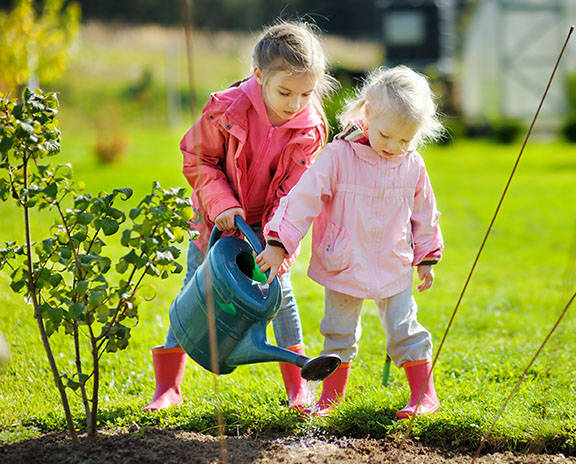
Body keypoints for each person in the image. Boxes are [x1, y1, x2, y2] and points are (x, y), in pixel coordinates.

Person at [143, 21, 337, 412]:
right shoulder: (226, 108)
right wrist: (222, 205)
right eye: (285, 92)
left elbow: (297, 195)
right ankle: (168, 387)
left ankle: (299, 388)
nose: (295, 103)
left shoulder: (310, 129)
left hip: (270, 229)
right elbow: (197, 157)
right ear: (259, 74)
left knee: (280, 299)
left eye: (306, 93)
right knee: (194, 291)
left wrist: (278, 242)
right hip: (217, 224)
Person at [257, 65, 444, 419]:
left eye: (405, 140)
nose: (393, 147)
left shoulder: (412, 165)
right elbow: (303, 199)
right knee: (339, 331)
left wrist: (426, 256)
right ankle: (331, 399)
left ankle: (423, 396)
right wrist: (280, 242)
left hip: (394, 260)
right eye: (387, 135)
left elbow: (425, 213)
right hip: (343, 258)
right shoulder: (337, 157)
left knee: (404, 329)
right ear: (368, 114)